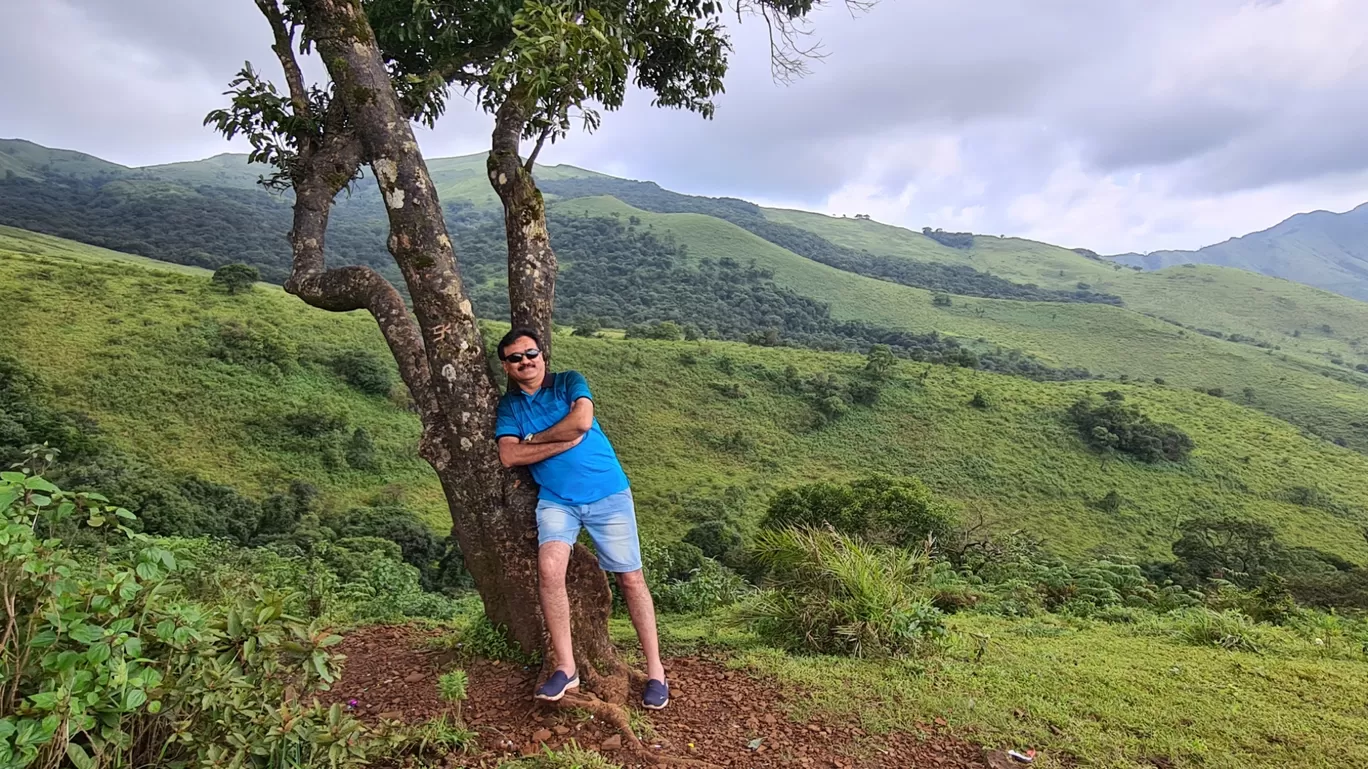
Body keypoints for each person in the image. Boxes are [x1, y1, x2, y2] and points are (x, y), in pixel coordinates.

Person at [493, 328, 669, 710]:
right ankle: (567, 666)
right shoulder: (508, 407)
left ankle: (656, 671)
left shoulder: (568, 381)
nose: (526, 362)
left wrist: (533, 440)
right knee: (549, 570)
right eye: (515, 358)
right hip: (557, 500)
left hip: (608, 493)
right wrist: (555, 440)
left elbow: (582, 423)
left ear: (542, 355)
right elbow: (509, 456)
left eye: (530, 353)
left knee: (631, 578)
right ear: (506, 367)